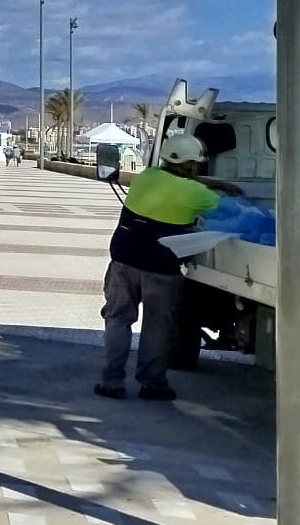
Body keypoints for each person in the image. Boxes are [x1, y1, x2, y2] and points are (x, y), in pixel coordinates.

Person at [95, 130, 222, 402]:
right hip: (161, 269)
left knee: (117, 320)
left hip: (123, 260)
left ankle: (110, 382)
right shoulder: (196, 193)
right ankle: (153, 384)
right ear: (190, 164)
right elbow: (220, 207)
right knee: (157, 327)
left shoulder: (145, 178)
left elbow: (171, 187)